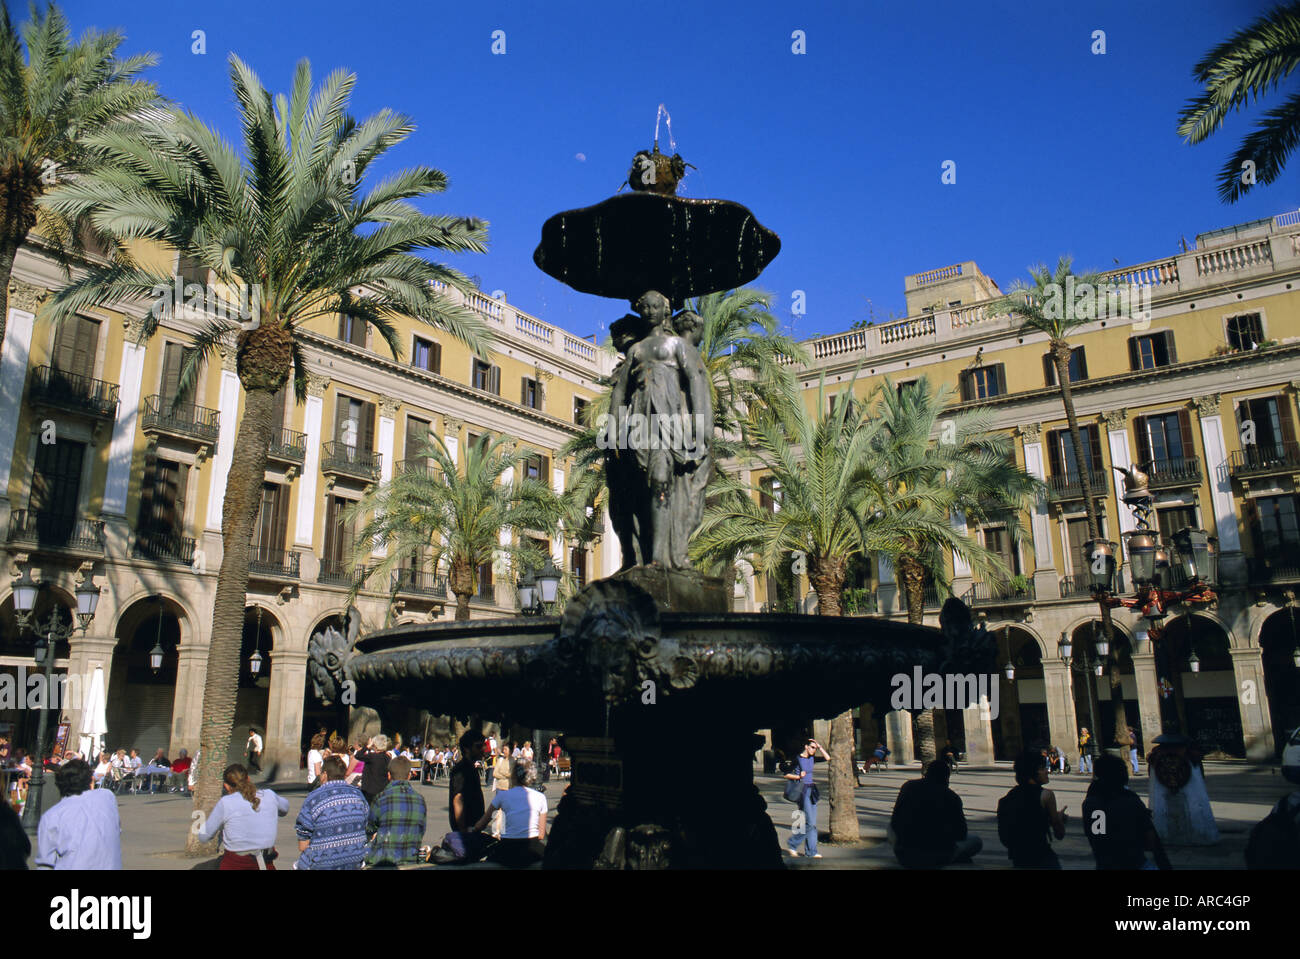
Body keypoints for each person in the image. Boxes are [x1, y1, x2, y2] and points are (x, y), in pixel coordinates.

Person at [1082, 754, 1171, 870]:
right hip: (1135, 862)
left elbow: (1098, 839)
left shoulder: (1092, 804)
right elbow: (1150, 841)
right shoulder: (1131, 800)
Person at [890, 760, 983, 868]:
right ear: (946, 777)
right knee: (975, 841)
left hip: (905, 854)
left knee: (889, 827)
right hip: (937, 855)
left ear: (927, 773)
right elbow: (961, 833)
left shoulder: (908, 786)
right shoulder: (951, 796)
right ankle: (953, 856)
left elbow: (895, 820)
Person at [195, 764, 289, 869]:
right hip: (265, 864)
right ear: (248, 778)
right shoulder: (269, 795)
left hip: (235, 864)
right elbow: (285, 809)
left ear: (226, 786)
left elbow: (204, 837)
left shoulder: (226, 802)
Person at [35, 759, 122, 869]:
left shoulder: (52, 816)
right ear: (90, 780)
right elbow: (117, 830)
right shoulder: (108, 797)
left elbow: (45, 863)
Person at [293, 755, 370, 870]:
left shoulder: (314, 798)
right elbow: (365, 825)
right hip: (355, 861)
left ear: (324, 774)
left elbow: (303, 845)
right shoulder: (358, 795)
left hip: (323, 864)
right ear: (344, 775)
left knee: (299, 864)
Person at [996, 748, 1068, 868]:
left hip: (1018, 857)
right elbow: (1059, 834)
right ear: (1031, 772)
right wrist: (1058, 819)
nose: (1046, 771)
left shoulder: (1006, 799)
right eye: (1042, 768)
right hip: (1041, 856)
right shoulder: (1046, 795)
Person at [1146, 734, 1219, 846]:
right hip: (1185, 788)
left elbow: (1153, 776)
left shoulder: (1156, 756)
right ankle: (1194, 832)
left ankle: (1169, 834)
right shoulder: (1190, 755)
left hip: (1166, 788)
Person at [472, 760, 546, 867]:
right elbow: (541, 834)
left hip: (508, 847)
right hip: (532, 847)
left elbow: (482, 824)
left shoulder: (502, 796)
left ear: (513, 775)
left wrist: (473, 829)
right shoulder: (540, 797)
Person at [366, 756, 427, 868]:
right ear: (409, 775)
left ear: (389, 775)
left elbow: (370, 828)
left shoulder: (381, 798)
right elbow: (421, 829)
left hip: (383, 858)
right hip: (411, 857)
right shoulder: (420, 799)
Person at [784, 738, 828, 858]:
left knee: (813, 824)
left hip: (812, 790)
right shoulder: (798, 759)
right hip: (802, 791)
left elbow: (828, 758)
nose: (814, 750)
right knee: (809, 822)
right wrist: (798, 776)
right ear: (806, 747)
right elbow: (785, 774)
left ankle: (811, 852)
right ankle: (793, 844)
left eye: (815, 748)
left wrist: (820, 747)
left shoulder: (812, 758)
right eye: (812, 747)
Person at [449, 731, 486, 834]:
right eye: (478, 747)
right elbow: (458, 799)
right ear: (467, 748)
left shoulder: (471, 768)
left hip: (473, 827)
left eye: (483, 746)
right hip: (467, 829)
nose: (482, 750)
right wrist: (463, 831)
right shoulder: (461, 769)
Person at [355, 734, 392, 805]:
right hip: (382, 788)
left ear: (375, 744)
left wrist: (367, 746)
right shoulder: (387, 757)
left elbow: (358, 755)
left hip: (370, 790)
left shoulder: (372, 757)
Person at [491, 742, 514, 838]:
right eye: (503, 749)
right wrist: (504, 775)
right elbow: (495, 773)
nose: (504, 751)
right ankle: (497, 830)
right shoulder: (500, 760)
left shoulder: (513, 761)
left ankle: (507, 829)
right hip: (499, 787)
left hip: (508, 787)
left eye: (506, 749)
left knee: (508, 810)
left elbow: (510, 774)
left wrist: (502, 774)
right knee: (498, 809)